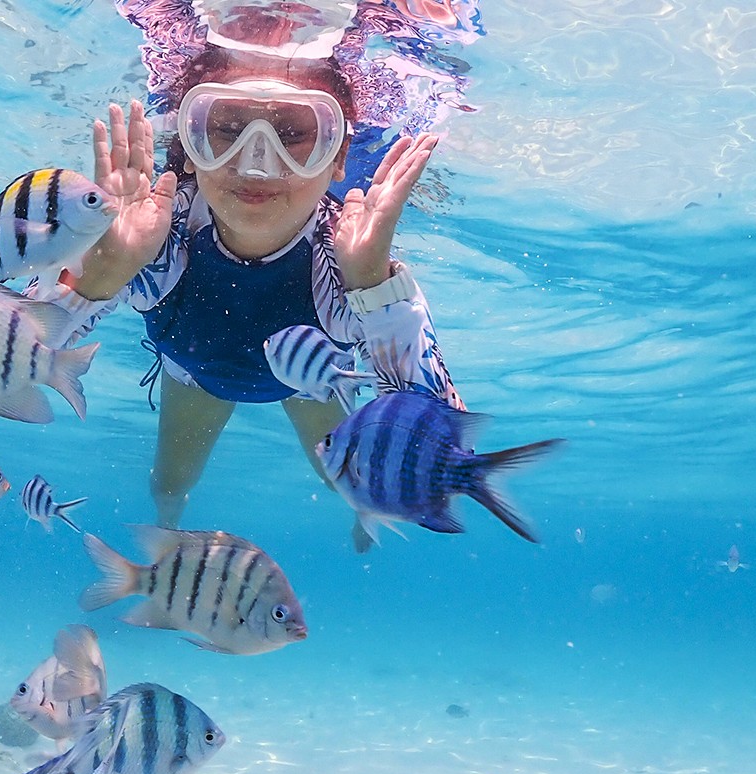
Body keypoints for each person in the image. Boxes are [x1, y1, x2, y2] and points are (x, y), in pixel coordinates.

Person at [32, 44, 464, 540]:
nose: (257, 163)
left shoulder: (346, 265)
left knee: (349, 481)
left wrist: (373, 284)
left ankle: (364, 514)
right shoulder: (154, 240)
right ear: (192, 142)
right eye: (228, 131)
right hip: (194, 374)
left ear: (338, 155)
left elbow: (442, 470)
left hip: (313, 378)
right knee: (171, 485)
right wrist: (100, 272)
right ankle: (166, 542)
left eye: (294, 134)